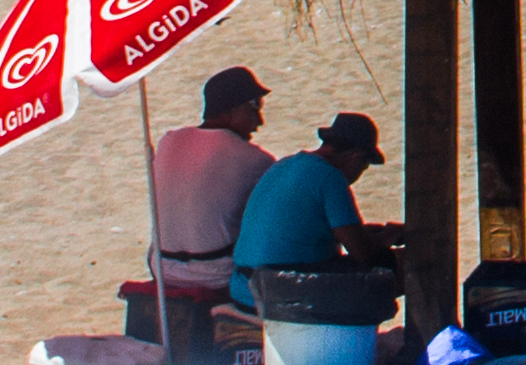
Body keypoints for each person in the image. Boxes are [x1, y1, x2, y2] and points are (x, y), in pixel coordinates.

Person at [148, 65, 272, 338]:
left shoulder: (169, 141)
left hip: (162, 268)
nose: (259, 121)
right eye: (254, 108)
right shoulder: (256, 160)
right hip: (214, 275)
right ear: (228, 112)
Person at [231, 111, 393, 305]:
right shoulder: (330, 177)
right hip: (280, 291)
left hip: (244, 287)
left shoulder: (285, 164)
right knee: (393, 267)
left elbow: (300, 229)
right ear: (355, 157)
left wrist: (364, 233)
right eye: (364, 167)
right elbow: (363, 253)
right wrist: (387, 238)